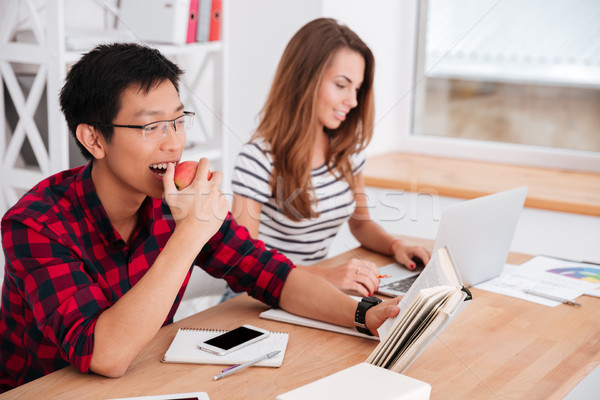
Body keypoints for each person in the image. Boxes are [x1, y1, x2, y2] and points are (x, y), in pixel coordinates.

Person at [0, 43, 401, 392]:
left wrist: (364, 315)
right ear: (93, 139)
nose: (174, 143)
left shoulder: (175, 197)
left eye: (178, 121)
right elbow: (104, 354)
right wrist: (191, 233)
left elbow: (270, 275)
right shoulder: (35, 224)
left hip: (141, 381)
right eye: (152, 126)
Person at [230, 18, 430, 298]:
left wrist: (395, 245)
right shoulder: (258, 158)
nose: (353, 101)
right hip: (259, 296)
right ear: (304, 79)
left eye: (357, 89)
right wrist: (325, 276)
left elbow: (360, 223)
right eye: (341, 85)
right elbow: (244, 263)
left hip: (314, 291)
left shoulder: (347, 152)